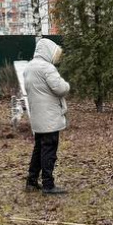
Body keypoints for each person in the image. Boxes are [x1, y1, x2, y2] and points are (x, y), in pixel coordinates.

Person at [24, 38, 71, 194]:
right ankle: (48, 185)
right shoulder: (47, 68)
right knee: (49, 151)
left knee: (38, 150)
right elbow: (60, 88)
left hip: (37, 117)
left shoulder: (29, 67)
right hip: (49, 118)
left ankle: (31, 181)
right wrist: (67, 85)